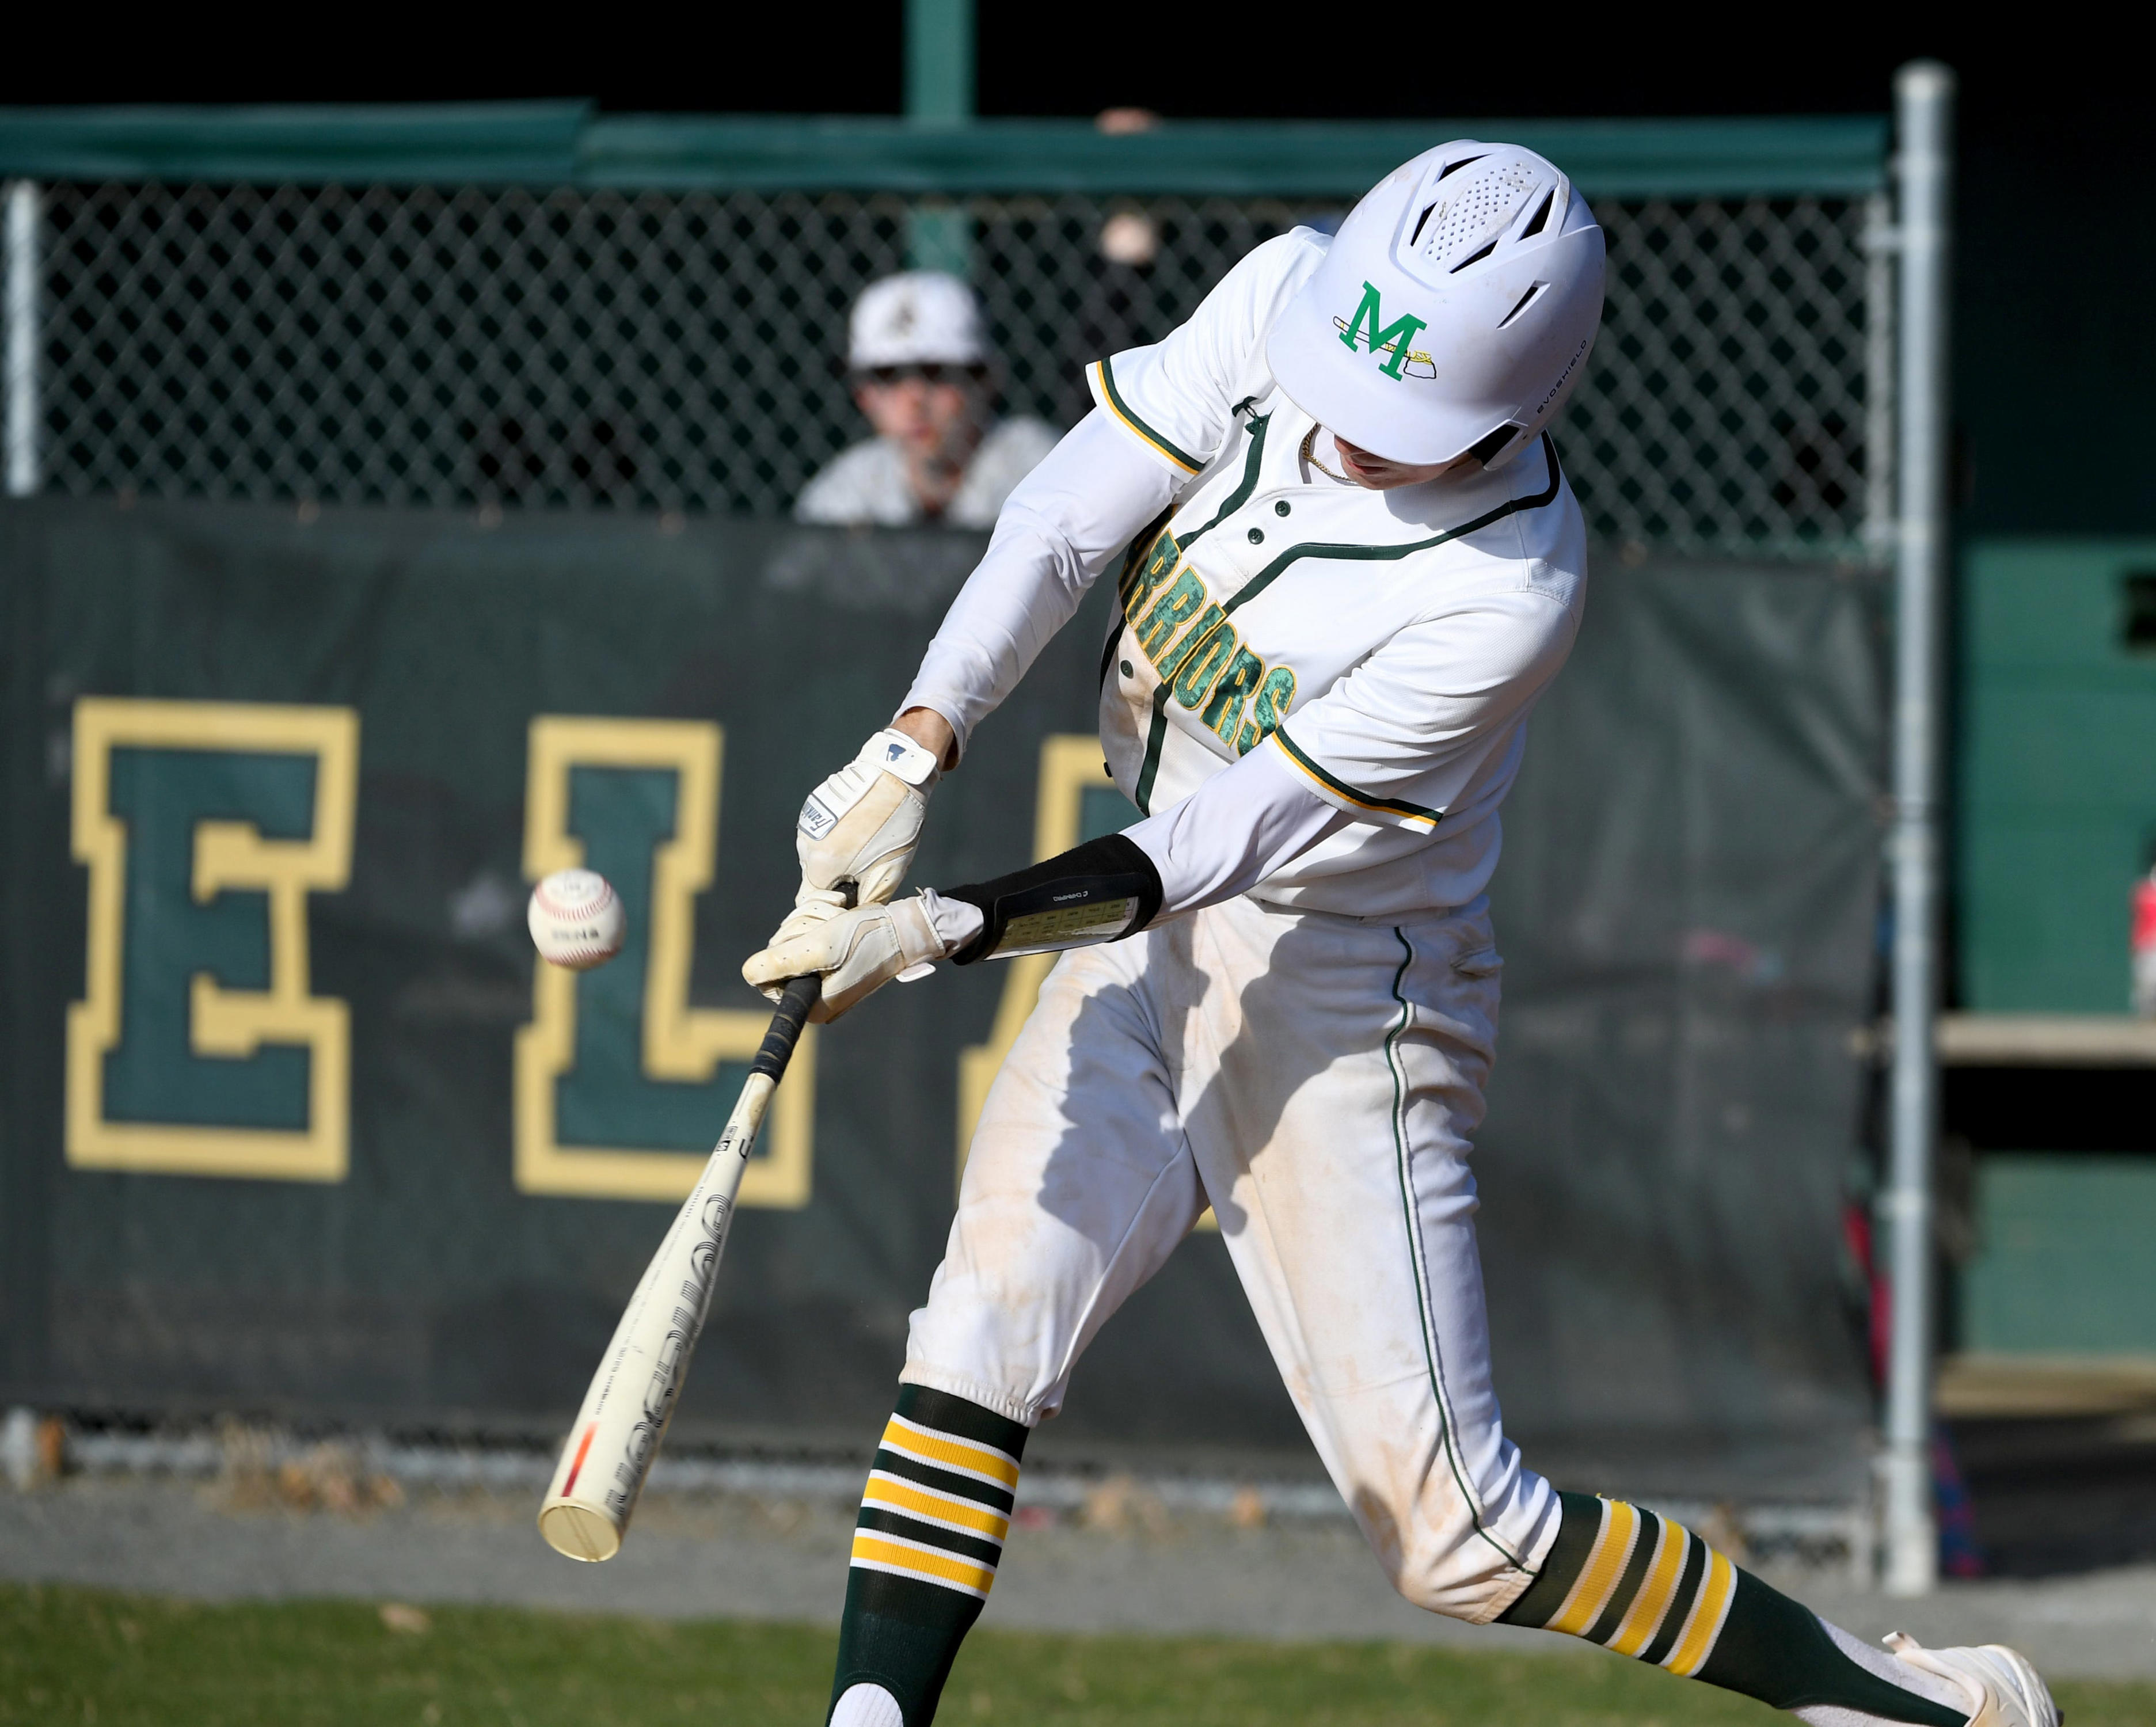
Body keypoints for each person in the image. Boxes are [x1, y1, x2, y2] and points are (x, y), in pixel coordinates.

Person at [746, 143, 2060, 1727]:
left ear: (1524, 402)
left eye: (1413, 423)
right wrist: (914, 743)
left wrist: (955, 926)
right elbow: (1062, 518)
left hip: (1337, 996)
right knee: (979, 1324)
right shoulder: (1288, 294)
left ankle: (1919, 1710)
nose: (1360, 437)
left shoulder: (1511, 587)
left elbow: (1227, 839)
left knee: (1456, 1535)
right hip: (1140, 942)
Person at [794, 271, 1059, 528]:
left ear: (984, 381)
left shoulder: (1041, 469)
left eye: (936, 372)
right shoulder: (853, 486)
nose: (914, 400)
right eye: (889, 376)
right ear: (863, 396)